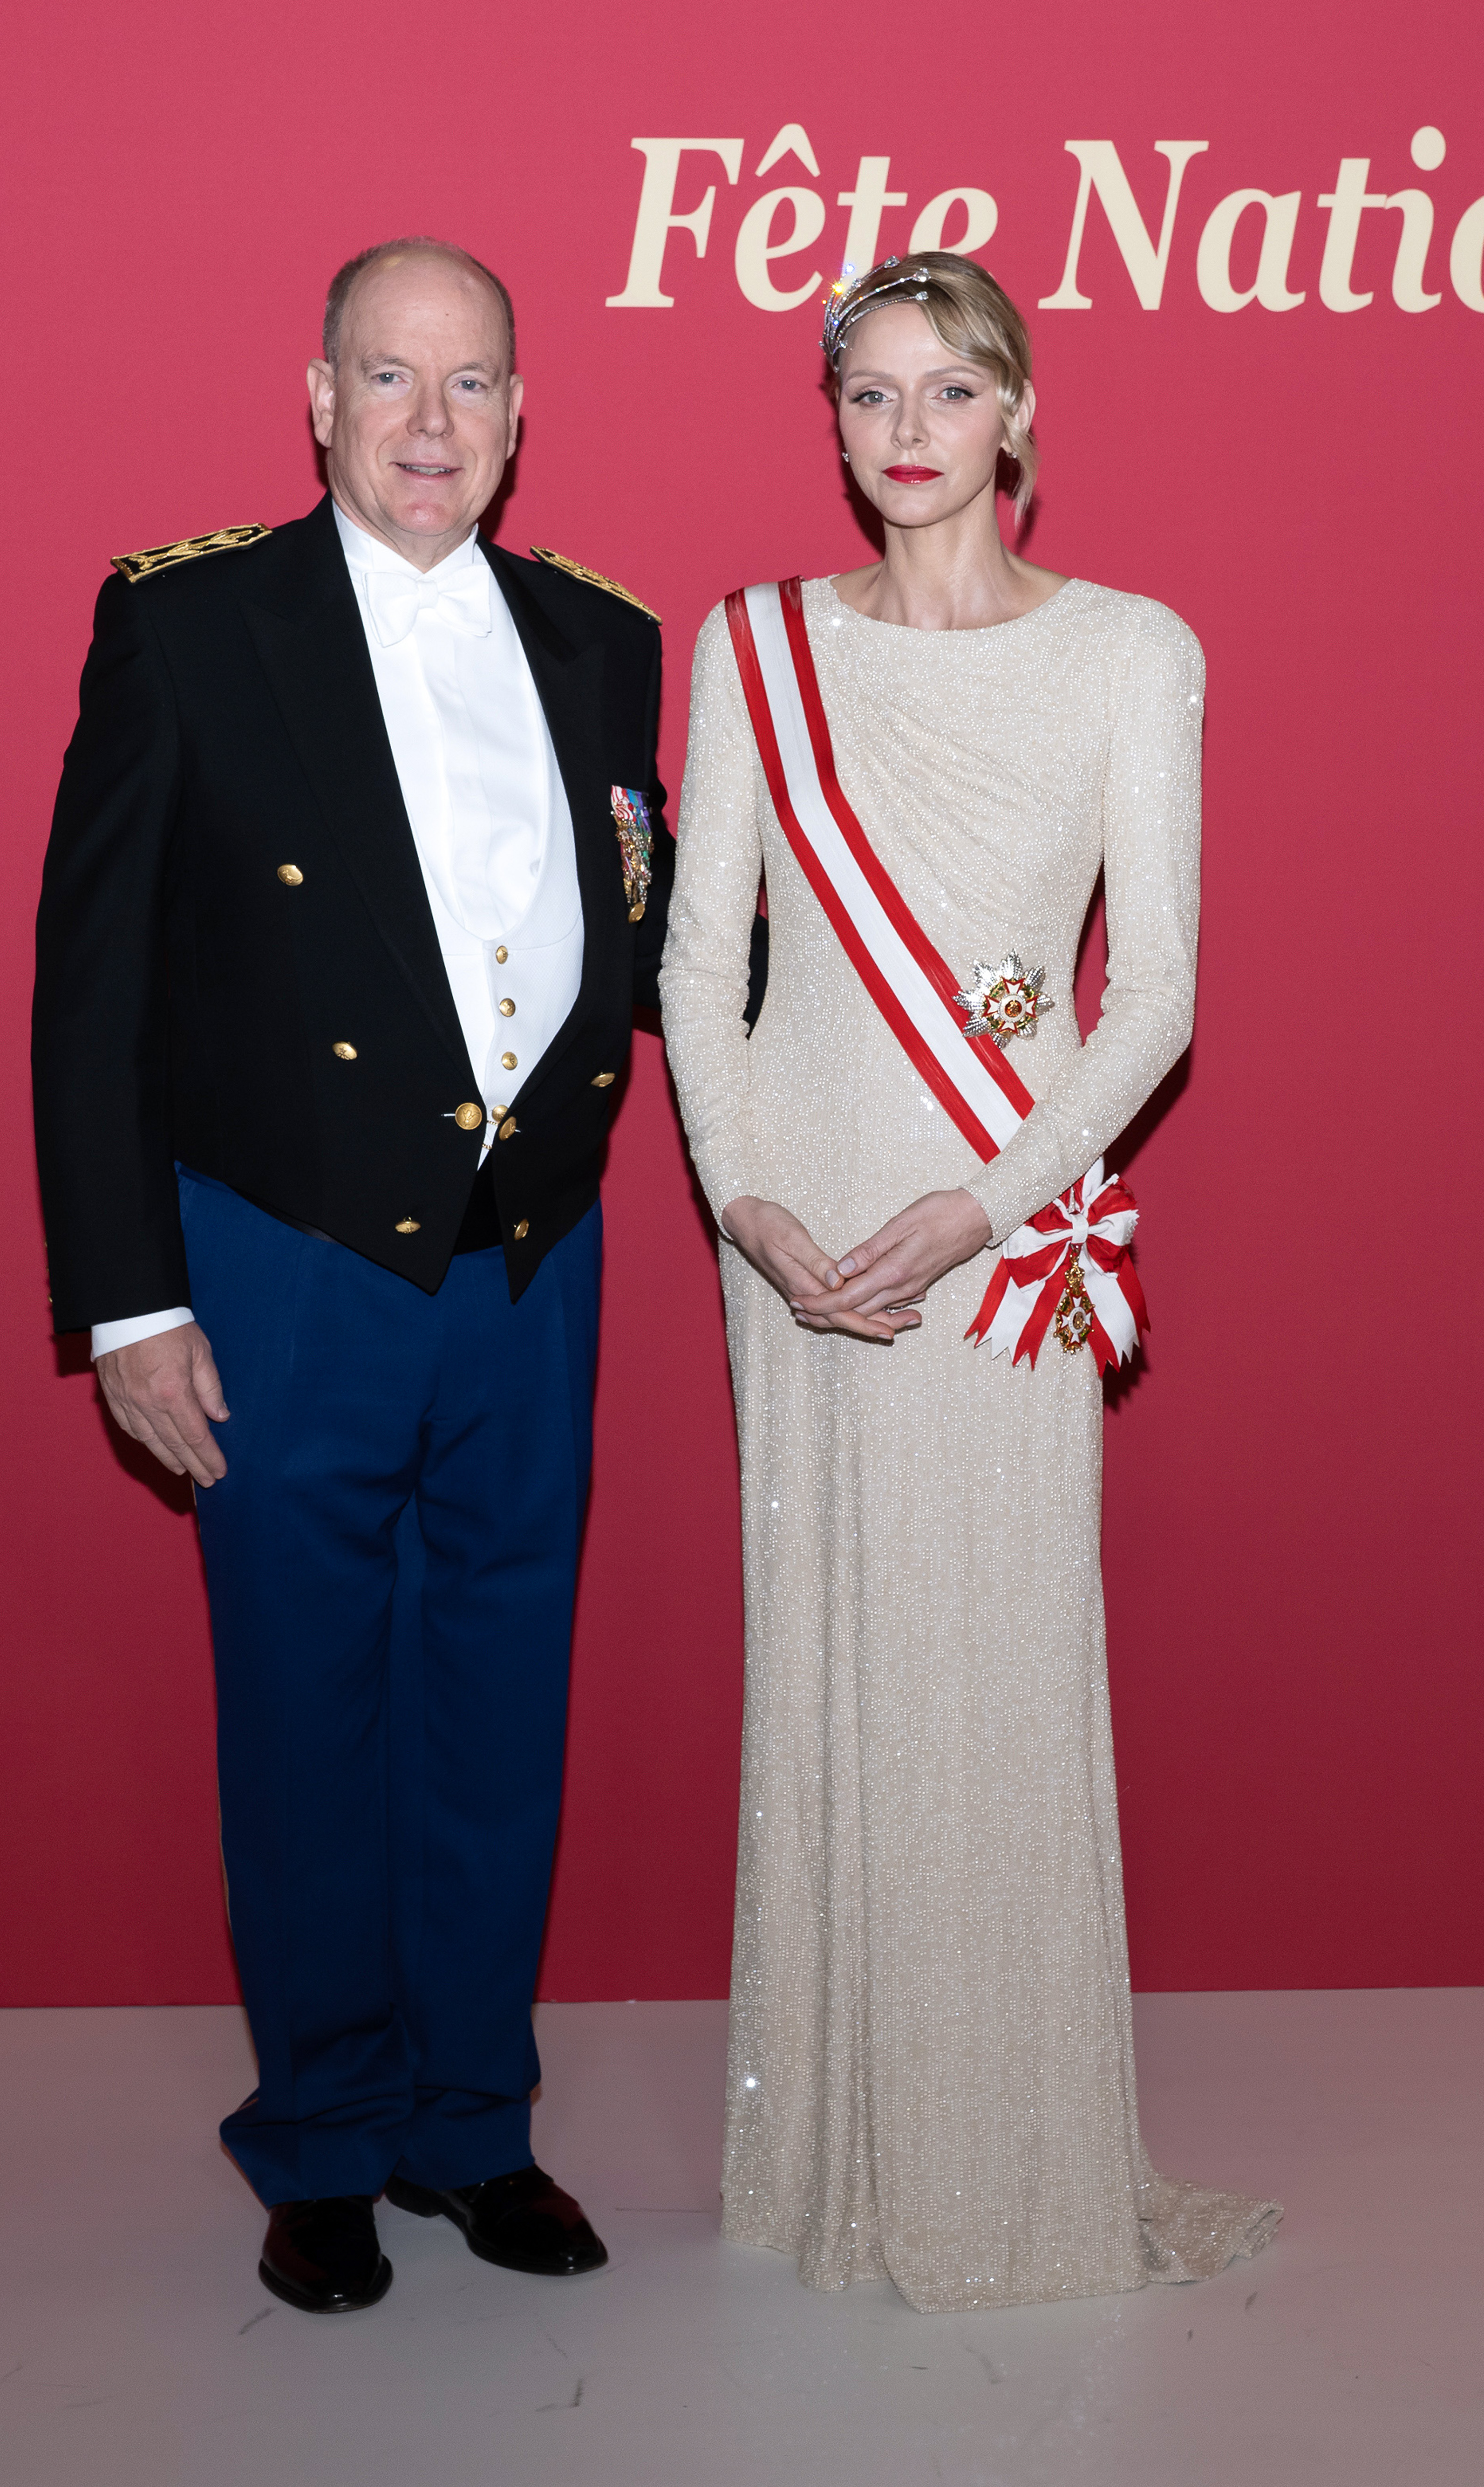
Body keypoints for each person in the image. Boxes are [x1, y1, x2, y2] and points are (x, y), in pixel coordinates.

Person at [33, 237, 701, 2314]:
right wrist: (132, 1302)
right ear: (318, 397)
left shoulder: (604, 639)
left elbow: (650, 947)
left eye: (475, 383)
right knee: (310, 1712)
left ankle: (470, 2124)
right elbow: (93, 988)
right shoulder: (190, 622)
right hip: (288, 1252)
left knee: (499, 1702)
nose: (433, 424)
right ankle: (322, 2137)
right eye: (391, 379)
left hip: (528, 1258)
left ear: (522, 413)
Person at [660, 252, 1280, 2312]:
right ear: (828, 423)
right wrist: (745, 1203)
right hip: (805, 1232)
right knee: (824, 1656)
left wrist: (999, 1198)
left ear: (1018, 411)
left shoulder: (1131, 652)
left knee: (991, 1670)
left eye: (947, 389)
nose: (905, 430)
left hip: (998, 1238)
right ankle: (827, 2141)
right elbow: (701, 968)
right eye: (866, 394)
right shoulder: (751, 647)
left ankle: (1002, 2154)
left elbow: (1156, 993)